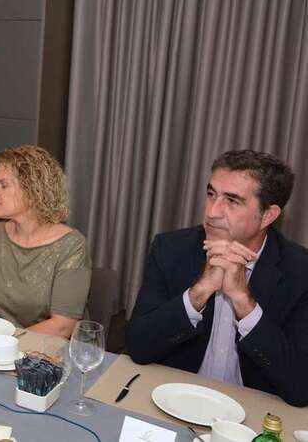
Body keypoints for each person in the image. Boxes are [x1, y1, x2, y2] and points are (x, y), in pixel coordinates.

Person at [126, 150, 308, 406]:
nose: (212, 212)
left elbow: (300, 388)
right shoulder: (171, 249)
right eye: (211, 194)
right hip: (174, 400)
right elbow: (137, 347)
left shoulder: (300, 271)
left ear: (268, 215)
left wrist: (244, 303)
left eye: (232, 201)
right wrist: (199, 292)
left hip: (253, 413)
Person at [0, 145, 91, 338]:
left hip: (49, 348)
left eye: (4, 185)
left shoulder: (71, 246)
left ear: (32, 191)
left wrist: (3, 342)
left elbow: (63, 326)